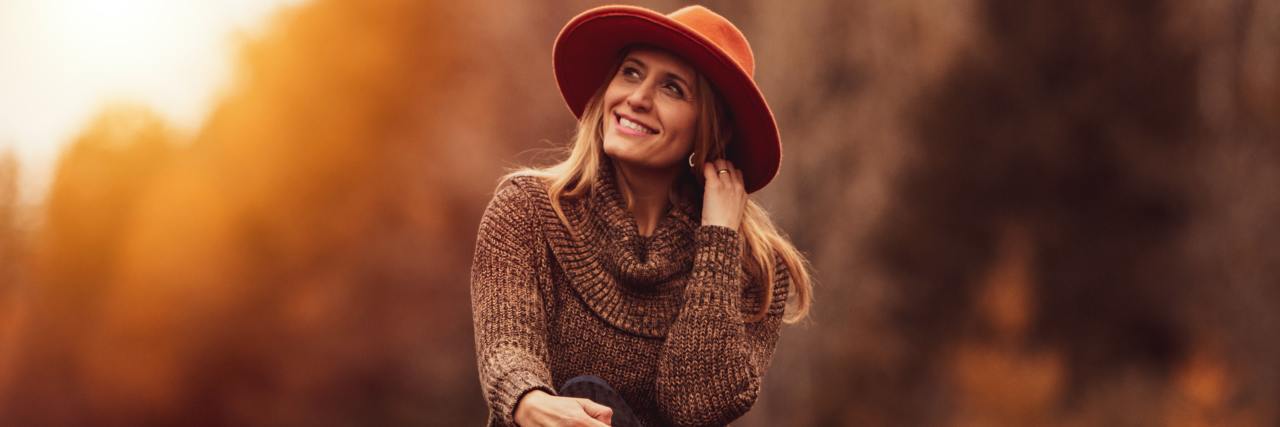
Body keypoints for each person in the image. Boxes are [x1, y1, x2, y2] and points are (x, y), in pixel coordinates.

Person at [470, 5, 813, 426]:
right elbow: (508, 346)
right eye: (631, 73)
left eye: (672, 88)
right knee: (581, 391)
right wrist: (531, 401)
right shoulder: (526, 208)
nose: (637, 98)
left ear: (714, 129)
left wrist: (718, 239)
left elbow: (697, 406)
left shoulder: (756, 269)